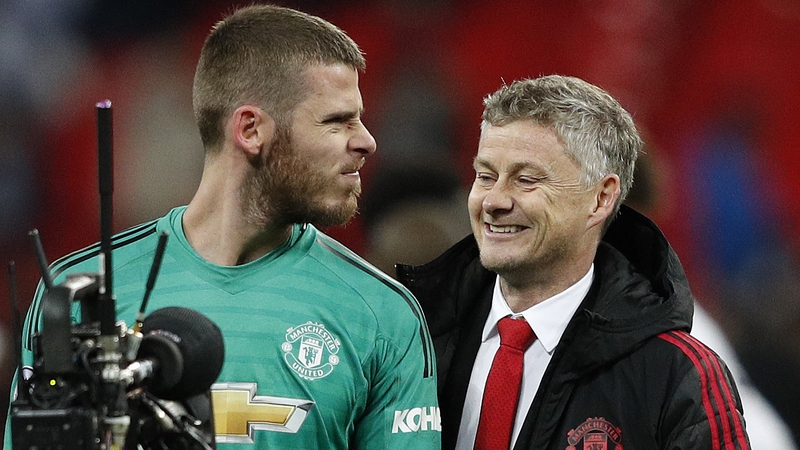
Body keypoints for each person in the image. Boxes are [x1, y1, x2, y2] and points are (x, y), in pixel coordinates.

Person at [4, 4, 440, 449]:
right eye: (336, 121)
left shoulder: (382, 313)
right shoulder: (80, 294)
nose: (366, 140)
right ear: (250, 130)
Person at [397, 75, 750, 449]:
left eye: (527, 179)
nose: (493, 201)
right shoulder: (407, 338)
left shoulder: (676, 373)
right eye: (486, 176)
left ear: (600, 199)